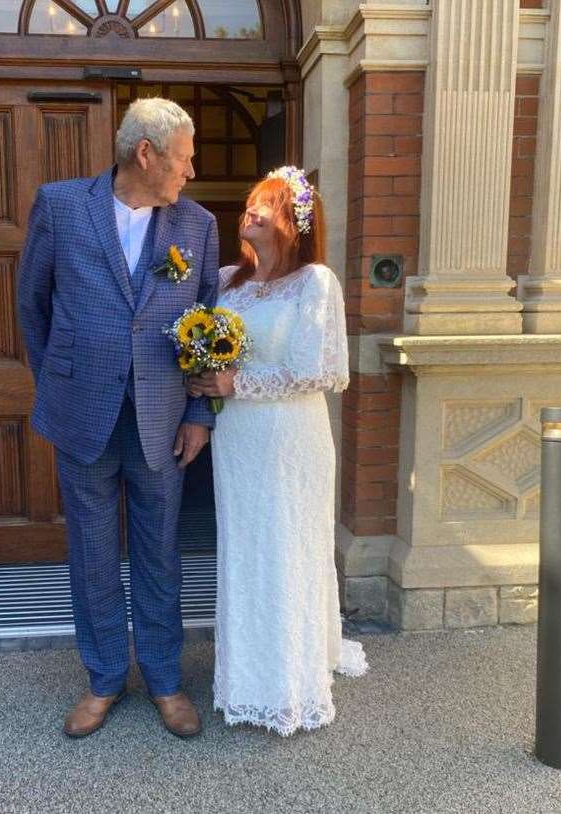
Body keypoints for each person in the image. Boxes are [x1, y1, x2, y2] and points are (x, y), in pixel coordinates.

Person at [18, 98, 219, 739]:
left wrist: (197, 411)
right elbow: (33, 306)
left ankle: (164, 679)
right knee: (94, 550)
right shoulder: (61, 206)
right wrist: (61, 379)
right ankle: (104, 677)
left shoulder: (198, 226)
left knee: (161, 548)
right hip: (83, 413)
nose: (191, 170)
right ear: (146, 153)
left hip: (162, 417)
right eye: (184, 157)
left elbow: (208, 326)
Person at [189, 167, 368, 737]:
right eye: (249, 203)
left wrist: (234, 384)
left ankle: (288, 678)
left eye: (264, 205)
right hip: (238, 440)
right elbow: (198, 340)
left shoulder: (315, 282)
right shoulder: (225, 281)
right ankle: (247, 672)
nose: (250, 212)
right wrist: (204, 374)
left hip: (291, 438)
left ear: (293, 222)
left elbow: (318, 371)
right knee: (245, 545)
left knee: (287, 543)